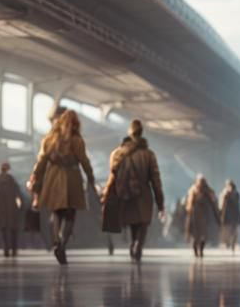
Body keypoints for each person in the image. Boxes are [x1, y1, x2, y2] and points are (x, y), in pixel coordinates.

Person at [28, 108, 97, 265]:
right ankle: (62, 243)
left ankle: (57, 240)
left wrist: (35, 176)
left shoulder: (49, 139)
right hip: (72, 177)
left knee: (57, 212)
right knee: (70, 214)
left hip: (53, 177)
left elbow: (41, 161)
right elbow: (84, 161)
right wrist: (91, 178)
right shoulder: (77, 140)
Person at [104, 120, 165, 263]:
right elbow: (156, 180)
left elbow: (113, 176)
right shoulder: (149, 154)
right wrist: (160, 202)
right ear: (141, 132)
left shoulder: (118, 153)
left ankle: (133, 243)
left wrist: (107, 195)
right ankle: (138, 245)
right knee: (142, 223)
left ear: (129, 132)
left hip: (125, 194)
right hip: (143, 194)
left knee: (132, 222)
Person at [0, 161, 23, 257]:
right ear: (8, 169)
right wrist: (20, 206)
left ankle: (6, 248)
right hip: (12, 209)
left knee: (4, 230)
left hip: (1, 210)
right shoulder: (12, 180)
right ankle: (14, 249)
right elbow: (18, 195)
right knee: (13, 230)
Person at [185, 175, 219, 258]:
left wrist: (216, 216)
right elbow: (190, 205)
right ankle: (196, 251)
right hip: (195, 216)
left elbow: (213, 203)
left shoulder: (207, 191)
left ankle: (200, 250)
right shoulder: (193, 190)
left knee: (203, 235)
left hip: (204, 216)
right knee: (196, 236)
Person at [219, 179, 240, 252]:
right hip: (227, 216)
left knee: (235, 232)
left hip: (234, 215)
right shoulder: (225, 194)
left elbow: (238, 206)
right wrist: (222, 217)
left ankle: (233, 244)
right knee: (227, 232)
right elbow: (222, 206)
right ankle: (228, 243)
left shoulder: (236, 194)